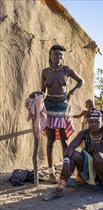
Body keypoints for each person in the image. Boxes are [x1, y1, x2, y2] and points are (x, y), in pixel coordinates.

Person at [43, 109, 103, 200]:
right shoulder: (84, 133)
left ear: (101, 121)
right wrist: (66, 161)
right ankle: (59, 188)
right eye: (91, 121)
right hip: (88, 172)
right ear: (87, 121)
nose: (93, 124)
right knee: (72, 155)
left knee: (98, 156)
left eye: (97, 121)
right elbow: (70, 147)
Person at [41, 44, 84, 183]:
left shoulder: (66, 70)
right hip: (49, 108)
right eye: (55, 54)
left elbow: (80, 81)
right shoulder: (45, 72)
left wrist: (72, 92)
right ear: (50, 56)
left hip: (62, 108)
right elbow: (42, 92)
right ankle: (51, 172)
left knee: (65, 141)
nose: (58, 57)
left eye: (60, 55)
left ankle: (66, 169)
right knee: (50, 141)